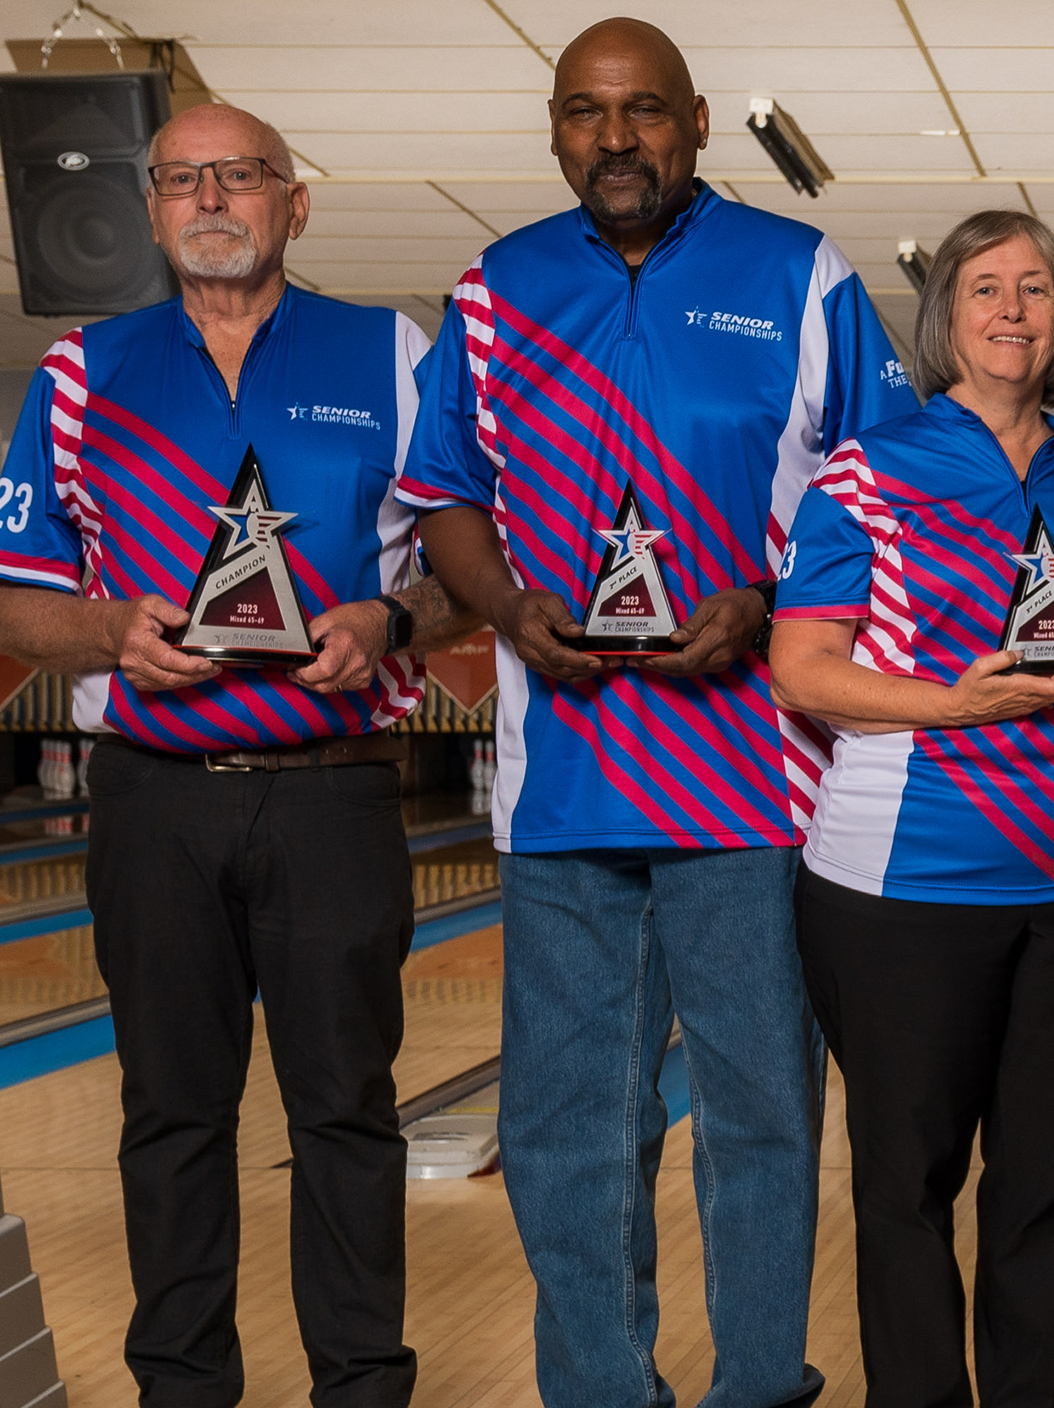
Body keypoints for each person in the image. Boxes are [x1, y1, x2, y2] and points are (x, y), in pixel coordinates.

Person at [396, 18, 916, 1408]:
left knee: (762, 1114)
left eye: (641, 113)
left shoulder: (801, 275)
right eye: (583, 112)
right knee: (569, 1127)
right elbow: (442, 489)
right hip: (561, 794)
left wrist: (759, 592)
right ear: (556, 129)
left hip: (753, 791)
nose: (613, 139)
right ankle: (601, 1391)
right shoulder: (499, 288)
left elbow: (880, 493)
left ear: (692, 122)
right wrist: (509, 615)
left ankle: (761, 1385)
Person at [0, 102, 473, 1407]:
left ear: (294, 201)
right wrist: (109, 629)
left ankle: (363, 1386)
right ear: (154, 210)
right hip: (152, 803)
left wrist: (387, 616)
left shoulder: (396, 355)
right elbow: (18, 594)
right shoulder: (82, 371)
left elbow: (472, 568)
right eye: (183, 179)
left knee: (344, 1117)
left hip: (336, 798)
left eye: (243, 176)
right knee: (170, 1120)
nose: (213, 198)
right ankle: (183, 1389)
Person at [770, 208, 1054, 1408]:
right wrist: (954, 702)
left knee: (1052, 1184)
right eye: (985, 287)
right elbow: (804, 666)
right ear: (946, 318)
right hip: (904, 884)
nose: (1012, 309)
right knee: (907, 1181)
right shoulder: (869, 469)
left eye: (1036, 288)